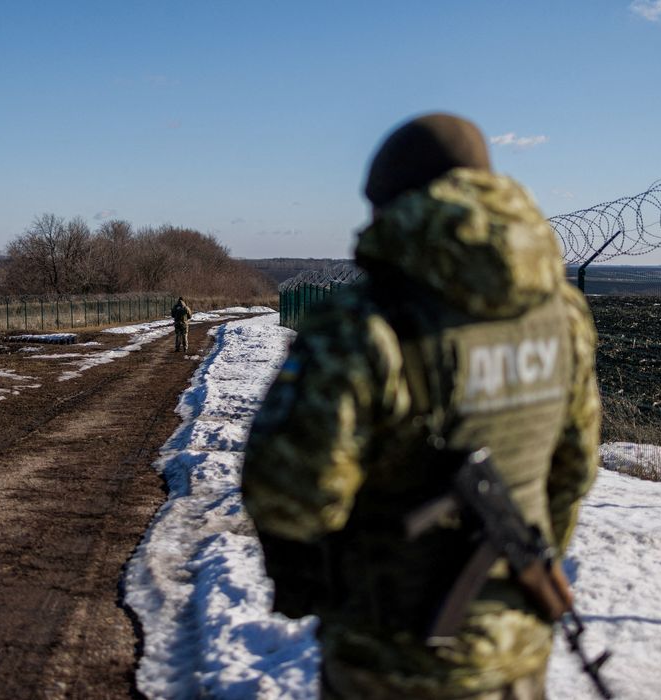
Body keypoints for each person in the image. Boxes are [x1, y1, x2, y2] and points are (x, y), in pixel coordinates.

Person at [241, 113, 601, 699]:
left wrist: (311, 580)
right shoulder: (561, 312)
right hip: (516, 650)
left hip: (389, 658)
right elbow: (575, 465)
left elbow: (291, 493)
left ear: (390, 206)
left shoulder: (365, 320)